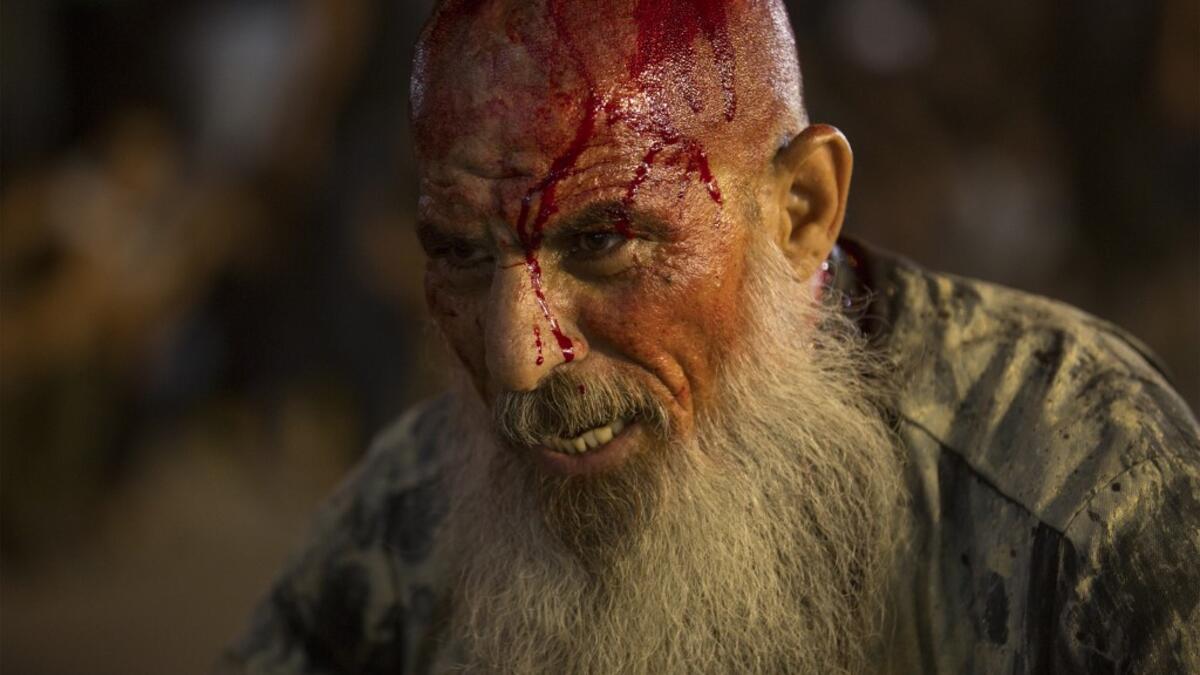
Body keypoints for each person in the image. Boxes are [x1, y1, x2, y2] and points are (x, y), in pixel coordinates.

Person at [219, 1, 1200, 673]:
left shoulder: (1077, 487)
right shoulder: (407, 515)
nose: (518, 359)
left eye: (603, 241)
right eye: (463, 256)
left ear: (802, 209)